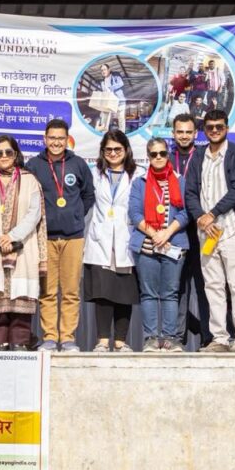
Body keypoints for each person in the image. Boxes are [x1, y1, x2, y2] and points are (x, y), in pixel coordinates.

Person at [184, 110, 235, 353]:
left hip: (231, 228)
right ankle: (220, 338)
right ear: (204, 130)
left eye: (219, 126)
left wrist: (211, 214)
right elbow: (190, 192)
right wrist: (201, 218)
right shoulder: (198, 155)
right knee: (212, 285)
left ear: (227, 128)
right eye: (210, 127)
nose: (214, 130)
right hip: (206, 232)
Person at [27, 118, 95, 353]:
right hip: (44, 238)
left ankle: (67, 338)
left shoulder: (78, 164)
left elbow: (88, 195)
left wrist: (75, 215)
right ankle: (49, 337)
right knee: (47, 292)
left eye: (60, 138)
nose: (56, 142)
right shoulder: (34, 165)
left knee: (70, 291)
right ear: (45, 139)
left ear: (67, 140)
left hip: (73, 237)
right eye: (52, 138)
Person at [0, 135, 46, 351]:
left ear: (16, 155)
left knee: (21, 293)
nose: (4, 156)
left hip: (23, 246)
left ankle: (20, 342)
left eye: (8, 152)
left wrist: (12, 236)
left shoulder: (30, 181)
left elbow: (34, 214)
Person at [128, 138, 189, 352]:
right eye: (154, 154)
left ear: (167, 154)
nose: (159, 157)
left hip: (173, 244)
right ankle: (151, 338)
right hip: (147, 245)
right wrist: (155, 234)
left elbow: (186, 212)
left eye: (162, 153)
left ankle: (171, 338)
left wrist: (167, 233)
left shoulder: (180, 181)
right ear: (148, 156)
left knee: (170, 293)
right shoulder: (140, 182)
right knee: (149, 293)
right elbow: (134, 213)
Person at [83, 131, 140, 352]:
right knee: (103, 293)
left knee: (124, 292)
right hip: (100, 239)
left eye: (118, 149)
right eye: (109, 149)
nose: (113, 153)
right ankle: (102, 341)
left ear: (126, 150)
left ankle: (121, 342)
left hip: (126, 238)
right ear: (102, 151)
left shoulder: (138, 174)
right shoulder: (94, 174)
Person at [169, 113, 203, 345]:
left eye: (188, 132)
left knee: (205, 284)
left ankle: (209, 337)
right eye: (180, 132)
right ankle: (178, 337)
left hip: (201, 228)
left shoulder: (203, 157)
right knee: (178, 286)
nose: (184, 136)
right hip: (176, 230)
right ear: (173, 133)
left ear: (195, 134)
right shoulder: (165, 158)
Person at [96, 64, 126, 131]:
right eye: (102, 70)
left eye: (105, 69)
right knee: (104, 118)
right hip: (108, 102)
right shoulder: (102, 82)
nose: (103, 71)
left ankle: (122, 133)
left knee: (121, 119)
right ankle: (103, 133)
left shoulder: (116, 75)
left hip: (119, 101)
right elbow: (104, 92)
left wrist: (110, 88)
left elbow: (121, 83)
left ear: (109, 70)